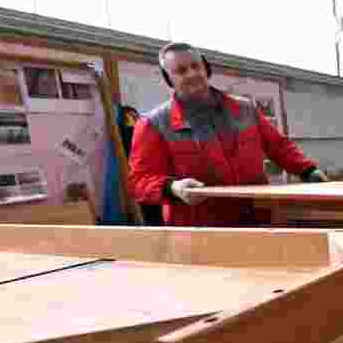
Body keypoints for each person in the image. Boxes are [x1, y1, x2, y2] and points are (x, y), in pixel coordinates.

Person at [128, 42, 327, 227]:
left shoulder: (245, 109)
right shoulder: (153, 124)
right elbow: (139, 181)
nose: (191, 74)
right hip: (200, 229)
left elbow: (278, 146)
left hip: (258, 219)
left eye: (196, 66)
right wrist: (173, 188)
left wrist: (308, 171)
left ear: (206, 68)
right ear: (168, 78)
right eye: (180, 71)